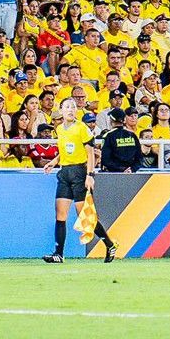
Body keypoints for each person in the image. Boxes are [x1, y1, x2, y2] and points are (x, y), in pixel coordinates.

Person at [44, 97, 116, 264]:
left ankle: (109, 244)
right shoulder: (60, 129)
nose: (70, 109)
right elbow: (64, 150)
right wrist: (54, 162)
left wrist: (90, 175)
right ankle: (58, 254)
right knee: (60, 214)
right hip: (64, 173)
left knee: (84, 216)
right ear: (61, 110)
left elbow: (90, 153)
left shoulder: (82, 128)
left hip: (79, 172)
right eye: (67, 107)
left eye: (73, 107)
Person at [99, 104, 144, 172]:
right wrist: (131, 169)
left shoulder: (108, 136)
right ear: (124, 119)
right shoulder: (132, 135)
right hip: (131, 174)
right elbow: (139, 158)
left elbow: (106, 159)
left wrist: (122, 169)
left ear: (111, 120)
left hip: (113, 174)